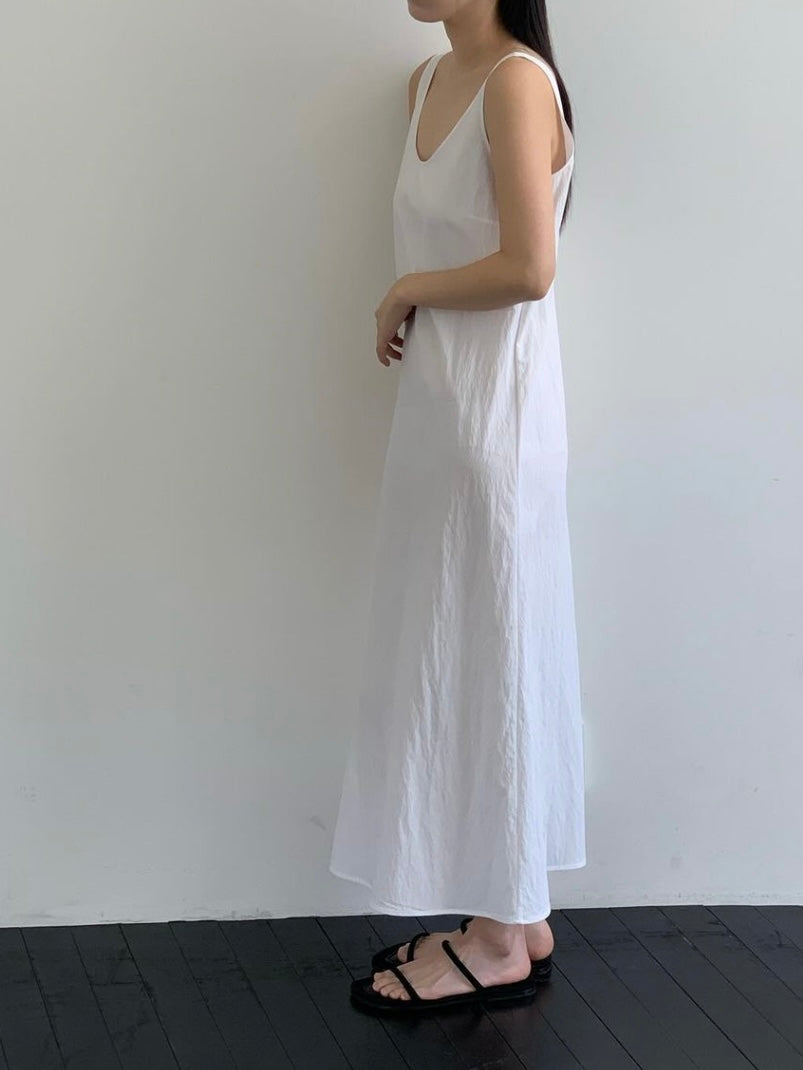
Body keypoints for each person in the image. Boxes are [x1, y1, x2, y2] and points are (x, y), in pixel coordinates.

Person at [330, 0, 587, 1015]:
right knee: (467, 657)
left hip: (496, 429)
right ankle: (514, 913)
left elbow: (529, 266)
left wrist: (405, 288)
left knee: (493, 662)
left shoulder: (516, 83)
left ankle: (499, 938)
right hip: (439, 420)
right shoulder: (425, 83)